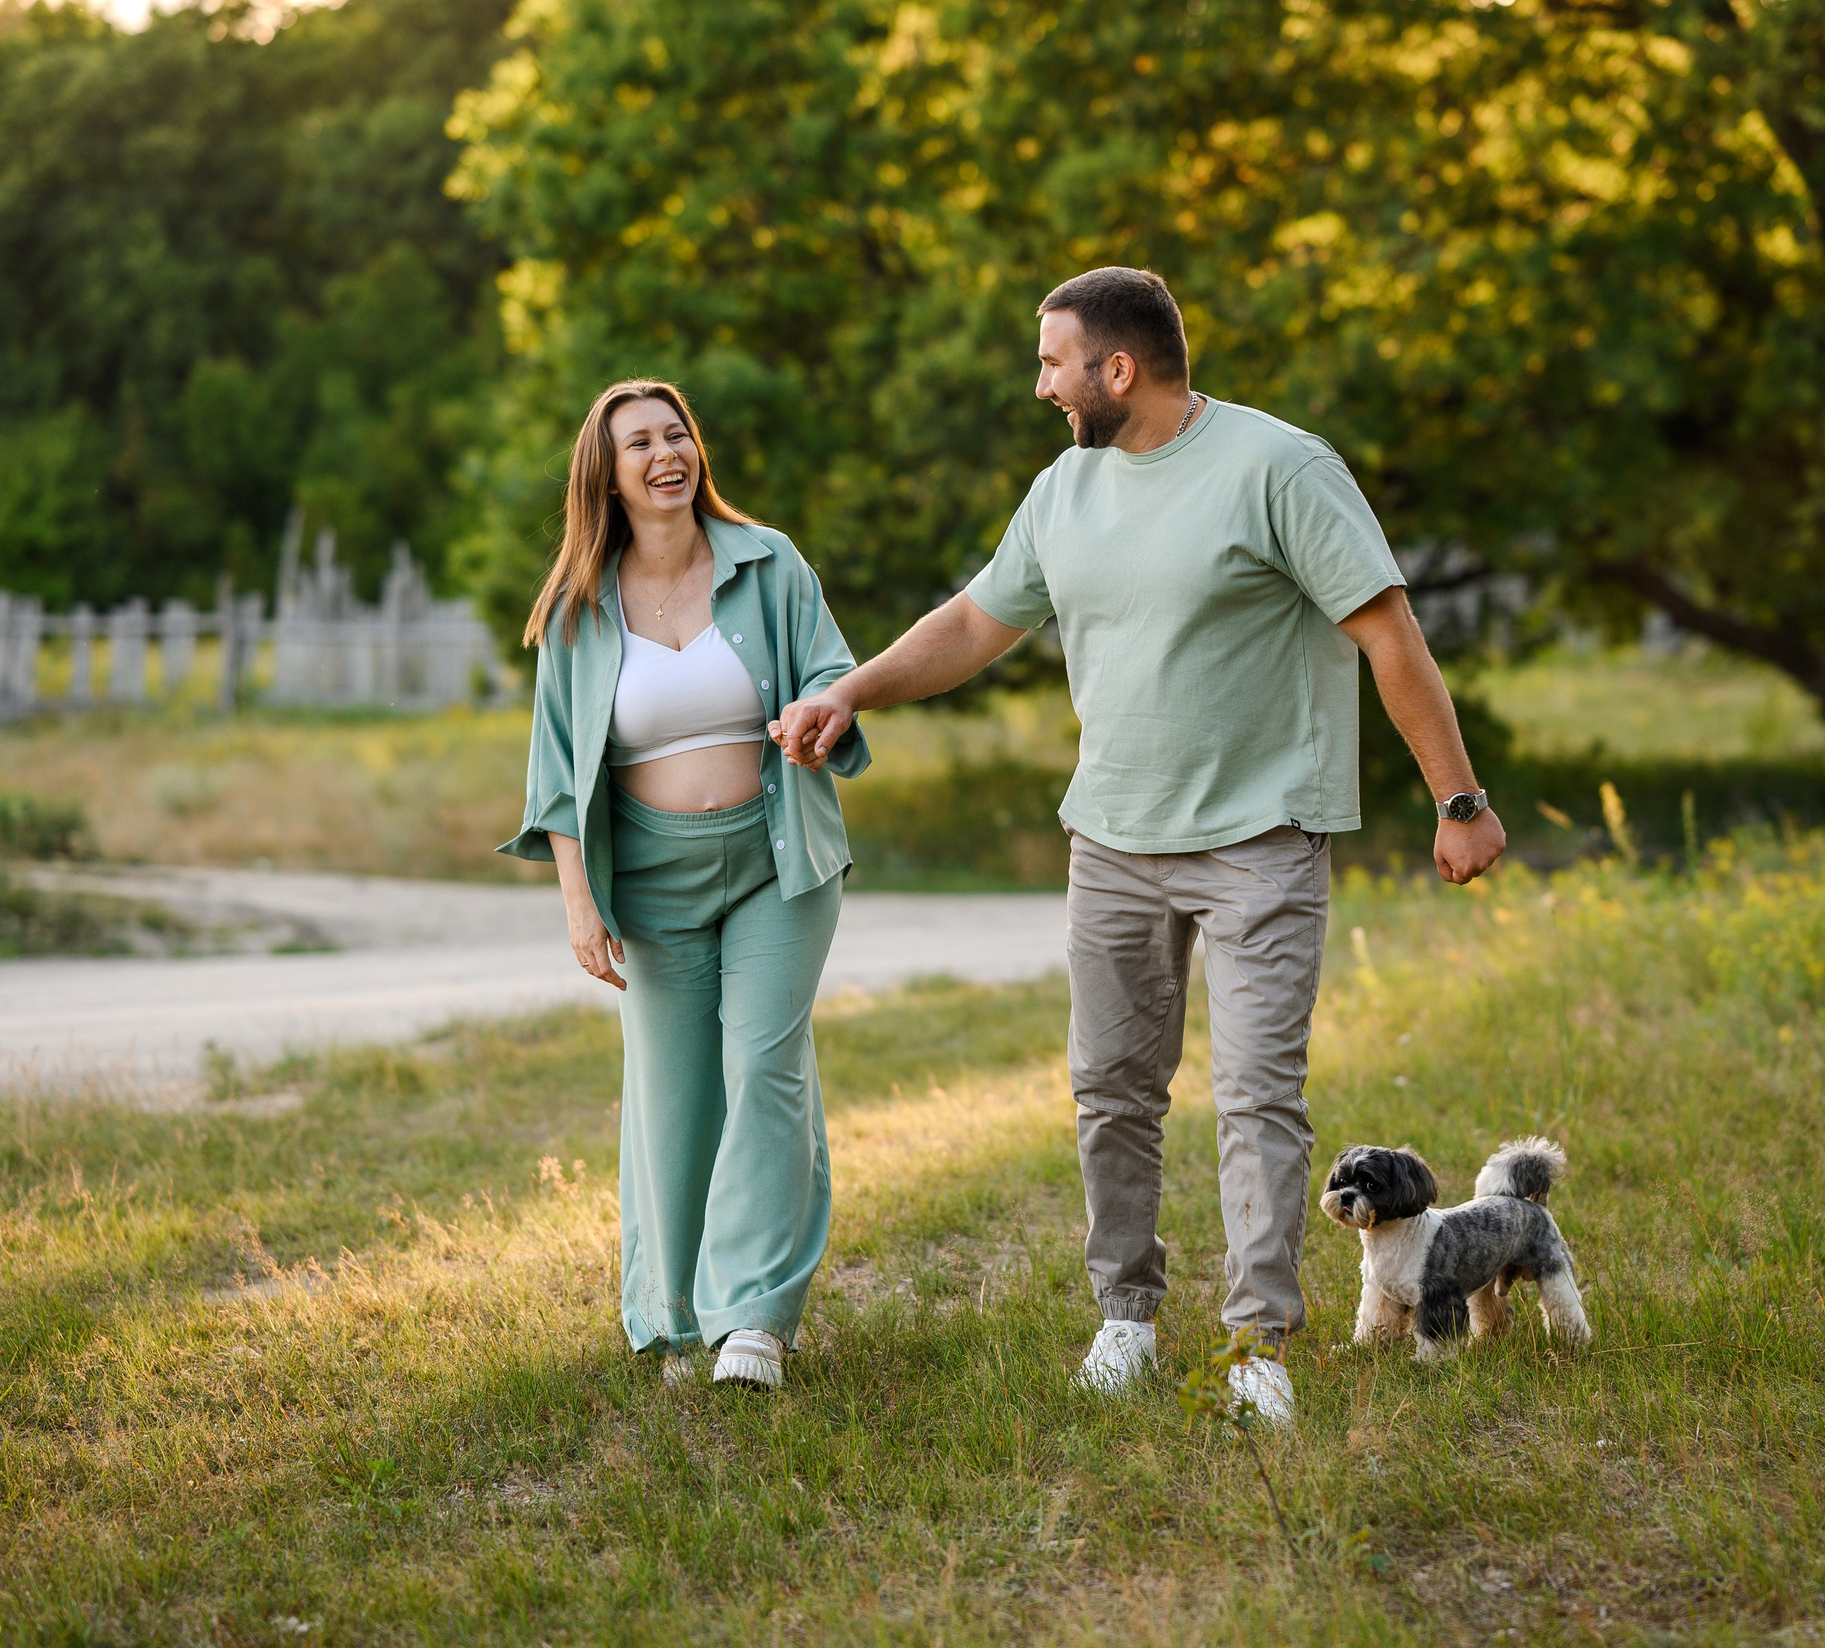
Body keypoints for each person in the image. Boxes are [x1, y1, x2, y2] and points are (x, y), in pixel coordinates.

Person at [774, 268, 1507, 1425]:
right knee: (1109, 1092)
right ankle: (1126, 1315)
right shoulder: (1064, 489)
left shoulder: (1280, 467)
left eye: (1052, 361)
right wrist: (851, 690)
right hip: (1110, 837)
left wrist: (1457, 800)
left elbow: (1385, 629)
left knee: (1259, 1096)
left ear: (1118, 369)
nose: (1039, 385)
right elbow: (975, 620)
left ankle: (1257, 1343)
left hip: (1259, 836)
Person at [499, 379, 868, 1392]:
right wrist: (579, 902)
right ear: (606, 474)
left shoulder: (770, 564)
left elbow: (832, 675)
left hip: (775, 857)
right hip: (650, 877)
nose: (667, 454)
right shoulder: (579, 606)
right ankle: (675, 1315)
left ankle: (752, 1317)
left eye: (677, 435)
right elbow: (558, 772)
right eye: (640, 443)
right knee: (673, 1094)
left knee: (765, 1067)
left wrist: (818, 713)